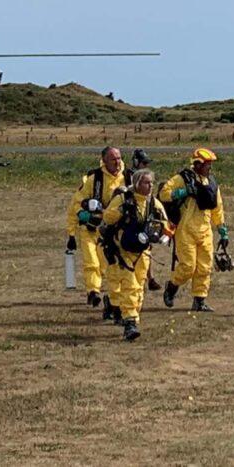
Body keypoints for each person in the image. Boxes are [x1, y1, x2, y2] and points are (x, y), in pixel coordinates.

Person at [101, 168, 169, 341]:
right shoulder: (123, 200)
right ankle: (130, 322)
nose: (150, 186)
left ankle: (125, 311)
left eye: (152, 183)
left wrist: (163, 235)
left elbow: (166, 224)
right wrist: (121, 212)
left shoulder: (153, 203)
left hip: (143, 252)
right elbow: (108, 218)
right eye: (146, 182)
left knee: (139, 285)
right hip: (122, 250)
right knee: (129, 285)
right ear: (137, 184)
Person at [158, 147, 227, 312]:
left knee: (204, 267)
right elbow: (163, 194)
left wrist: (223, 230)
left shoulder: (211, 182)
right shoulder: (182, 178)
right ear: (197, 164)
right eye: (207, 164)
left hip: (205, 232)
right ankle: (172, 287)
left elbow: (217, 208)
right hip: (185, 230)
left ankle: (199, 300)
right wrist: (182, 192)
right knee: (188, 267)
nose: (210, 168)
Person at [65, 146, 130, 312]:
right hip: (90, 230)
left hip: (112, 231)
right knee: (91, 262)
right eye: (113, 159)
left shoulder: (128, 178)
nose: (117, 162)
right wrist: (73, 230)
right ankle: (93, 292)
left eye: (118, 158)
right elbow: (76, 204)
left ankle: (111, 296)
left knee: (105, 265)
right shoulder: (94, 179)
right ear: (104, 161)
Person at [130, 148, 163, 293]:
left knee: (146, 249)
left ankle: (148, 278)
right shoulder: (130, 177)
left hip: (145, 218)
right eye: (144, 163)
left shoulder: (146, 178)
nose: (146, 165)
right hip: (132, 219)